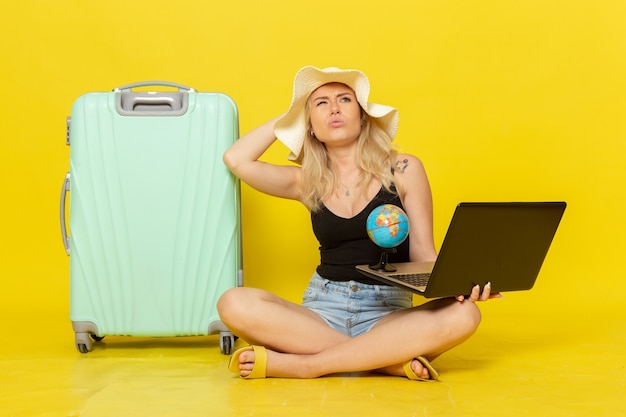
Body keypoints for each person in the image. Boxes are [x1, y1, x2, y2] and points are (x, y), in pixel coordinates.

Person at [217, 66, 501, 381]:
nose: (334, 108)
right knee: (233, 302)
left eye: (344, 99)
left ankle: (306, 366)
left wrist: (459, 284)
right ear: (309, 126)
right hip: (322, 312)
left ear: (363, 116)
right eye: (321, 103)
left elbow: (424, 255)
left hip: (388, 312)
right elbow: (237, 159)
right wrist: (292, 114)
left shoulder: (404, 168)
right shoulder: (305, 181)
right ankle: (387, 362)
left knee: (465, 315)